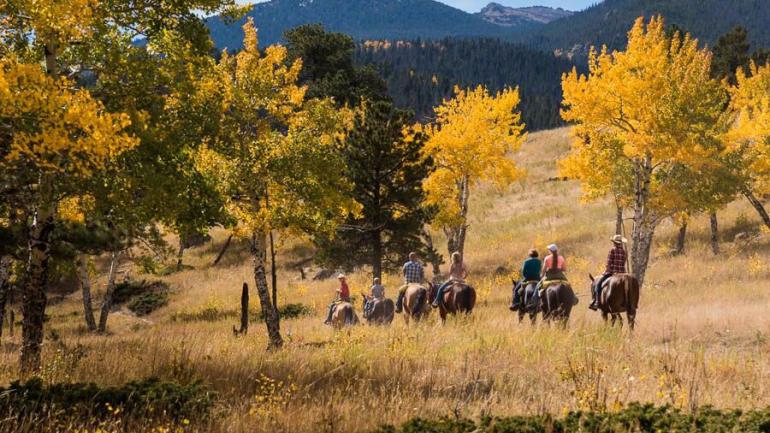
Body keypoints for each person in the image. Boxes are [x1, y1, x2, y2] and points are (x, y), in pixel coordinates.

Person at [590, 235, 628, 310]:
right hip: (622, 273)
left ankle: (597, 301)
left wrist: (607, 270)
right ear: (621, 243)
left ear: (614, 242)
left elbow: (608, 263)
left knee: (598, 284)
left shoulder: (612, 250)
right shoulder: (624, 252)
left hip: (612, 273)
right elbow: (623, 262)